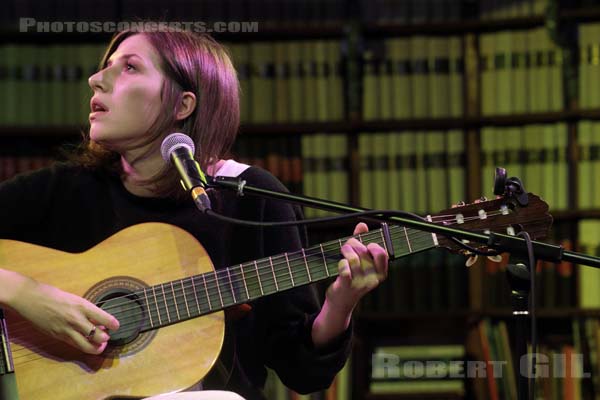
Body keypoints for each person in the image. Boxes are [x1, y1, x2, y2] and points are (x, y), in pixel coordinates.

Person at [0, 29, 389, 399]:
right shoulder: (63, 190)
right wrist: (25, 294)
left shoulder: (250, 196)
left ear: (182, 104)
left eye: (130, 67)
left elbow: (301, 372)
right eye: (107, 65)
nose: (95, 79)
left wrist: (340, 303)